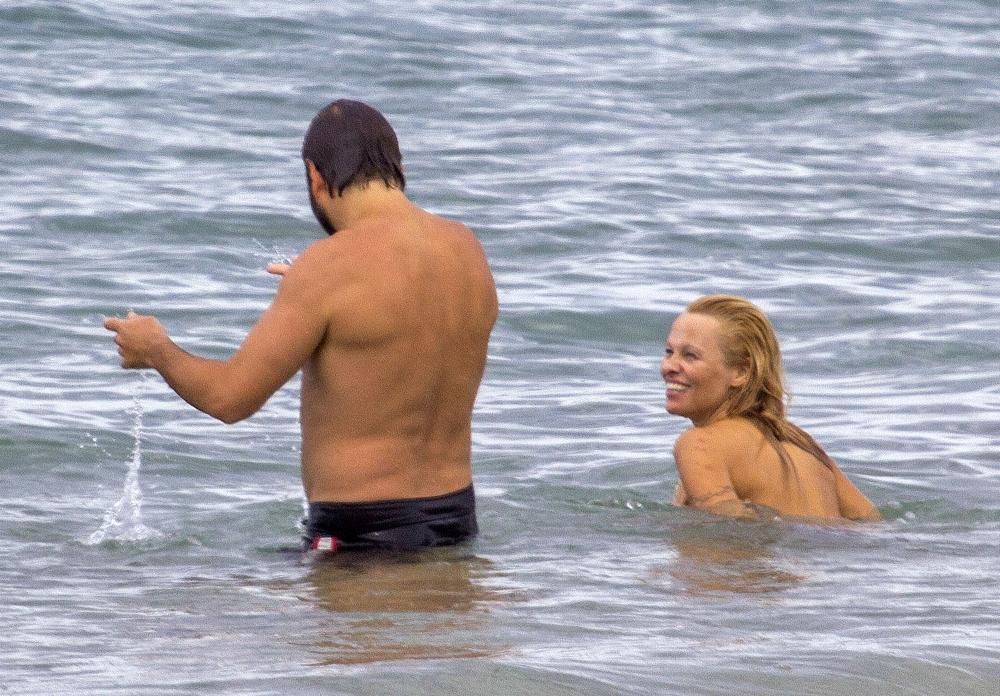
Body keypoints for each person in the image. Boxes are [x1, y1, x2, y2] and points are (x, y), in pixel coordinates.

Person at [105, 99, 499, 552]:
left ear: (315, 177)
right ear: (399, 169)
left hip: (360, 535)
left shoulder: (327, 269)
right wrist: (321, 293)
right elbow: (402, 325)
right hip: (455, 521)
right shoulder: (466, 249)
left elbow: (229, 399)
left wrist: (155, 349)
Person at [661, 294, 880, 521]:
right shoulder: (799, 441)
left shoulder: (699, 444)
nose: (669, 366)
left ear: (741, 372)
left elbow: (725, 529)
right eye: (669, 352)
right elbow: (872, 523)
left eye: (690, 356)